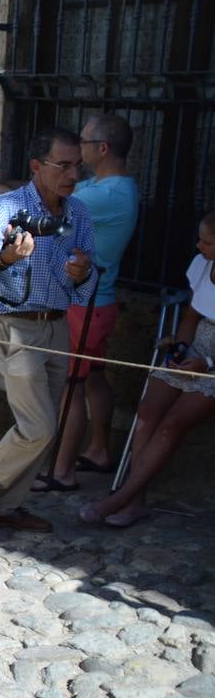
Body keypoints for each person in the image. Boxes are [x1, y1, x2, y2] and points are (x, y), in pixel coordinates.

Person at [0, 126, 97, 533]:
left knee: (44, 427)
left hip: (57, 326)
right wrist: (4, 258)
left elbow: (86, 281)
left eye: (78, 166)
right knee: (39, 426)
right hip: (17, 329)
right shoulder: (4, 208)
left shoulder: (80, 214)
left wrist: (82, 271)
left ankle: (10, 506)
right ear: (37, 166)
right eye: (64, 165)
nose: (73, 174)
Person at [81, 212, 215, 527]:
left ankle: (120, 498)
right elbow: (191, 316)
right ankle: (135, 501)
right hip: (195, 352)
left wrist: (206, 364)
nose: (199, 246)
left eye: (207, 242)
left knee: (172, 423)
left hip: (212, 366)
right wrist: (180, 349)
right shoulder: (201, 266)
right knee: (147, 412)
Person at [35, 113, 139, 490]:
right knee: (94, 378)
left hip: (85, 302)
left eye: (84, 142)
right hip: (100, 301)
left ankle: (60, 472)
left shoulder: (102, 195)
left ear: (103, 148)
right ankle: (98, 450)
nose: (79, 149)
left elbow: (46, 206)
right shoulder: (112, 186)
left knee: (71, 387)